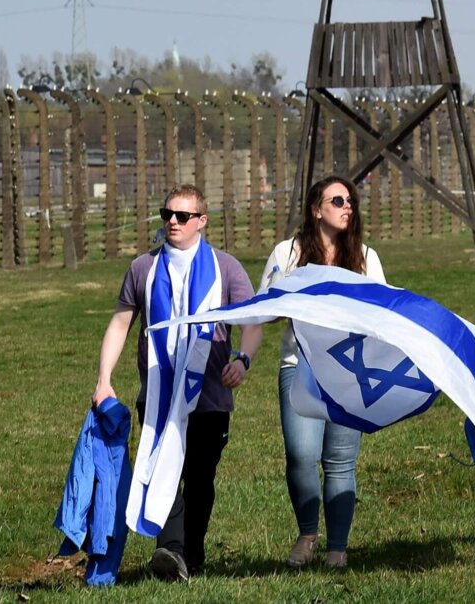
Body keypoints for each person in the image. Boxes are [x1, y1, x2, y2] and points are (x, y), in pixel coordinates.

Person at [92, 185, 262, 581]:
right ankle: (171, 551)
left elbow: (252, 323)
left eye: (182, 216)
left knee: (200, 479)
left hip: (210, 396)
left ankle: (192, 554)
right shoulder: (143, 269)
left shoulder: (226, 268)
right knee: (159, 468)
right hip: (156, 395)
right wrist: (104, 379)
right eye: (166, 213)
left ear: (201, 221)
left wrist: (243, 359)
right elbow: (120, 323)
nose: (172, 221)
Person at [260, 177, 384, 569]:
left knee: (340, 462)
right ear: (316, 209)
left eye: (351, 201)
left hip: (349, 372)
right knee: (300, 454)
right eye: (337, 200)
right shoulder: (289, 252)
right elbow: (266, 309)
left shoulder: (365, 257)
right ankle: (307, 533)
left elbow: (384, 314)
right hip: (301, 367)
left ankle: (337, 549)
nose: (347, 206)